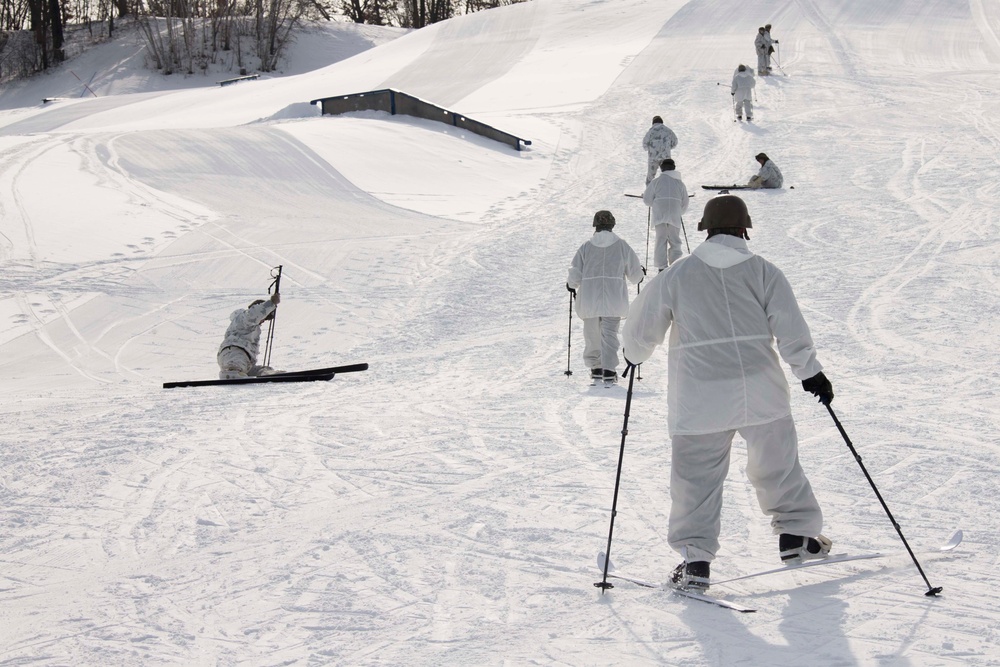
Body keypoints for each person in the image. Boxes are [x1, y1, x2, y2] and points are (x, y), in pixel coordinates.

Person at [621, 194, 834, 591]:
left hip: (699, 395)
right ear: (744, 229)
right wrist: (811, 373)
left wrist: (633, 354)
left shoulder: (677, 275)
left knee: (696, 479)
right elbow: (790, 327)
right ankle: (797, 536)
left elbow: (641, 328)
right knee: (778, 466)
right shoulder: (764, 271)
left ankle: (695, 559)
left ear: (705, 229)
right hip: (761, 388)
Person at [567, 210, 644, 386]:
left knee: (592, 333)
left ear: (595, 225)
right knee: (610, 334)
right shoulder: (622, 246)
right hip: (614, 297)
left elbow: (575, 272)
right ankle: (609, 370)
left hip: (590, 297)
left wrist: (571, 284)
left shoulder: (586, 247)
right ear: (612, 225)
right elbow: (635, 276)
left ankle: (596, 368)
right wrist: (640, 276)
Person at [217, 292, 281, 379]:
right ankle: (231, 373)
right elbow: (255, 313)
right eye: (264, 318)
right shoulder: (243, 319)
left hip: (245, 361)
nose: (263, 321)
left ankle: (268, 374)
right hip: (233, 354)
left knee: (261, 370)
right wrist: (271, 303)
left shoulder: (253, 328)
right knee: (236, 364)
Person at [641, 158, 689, 271]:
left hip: (660, 216)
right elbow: (685, 202)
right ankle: (675, 265)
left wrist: (657, 204)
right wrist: (678, 212)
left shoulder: (655, 182)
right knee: (675, 241)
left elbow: (647, 200)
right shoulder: (679, 183)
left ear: (662, 169)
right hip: (674, 216)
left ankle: (661, 268)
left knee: (660, 240)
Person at [642, 116, 679, 185]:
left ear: (653, 123)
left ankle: (648, 193)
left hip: (653, 158)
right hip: (666, 158)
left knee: (651, 177)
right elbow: (675, 142)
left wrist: (650, 149)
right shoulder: (668, 131)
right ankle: (669, 190)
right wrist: (668, 148)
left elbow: (644, 145)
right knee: (668, 175)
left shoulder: (650, 132)